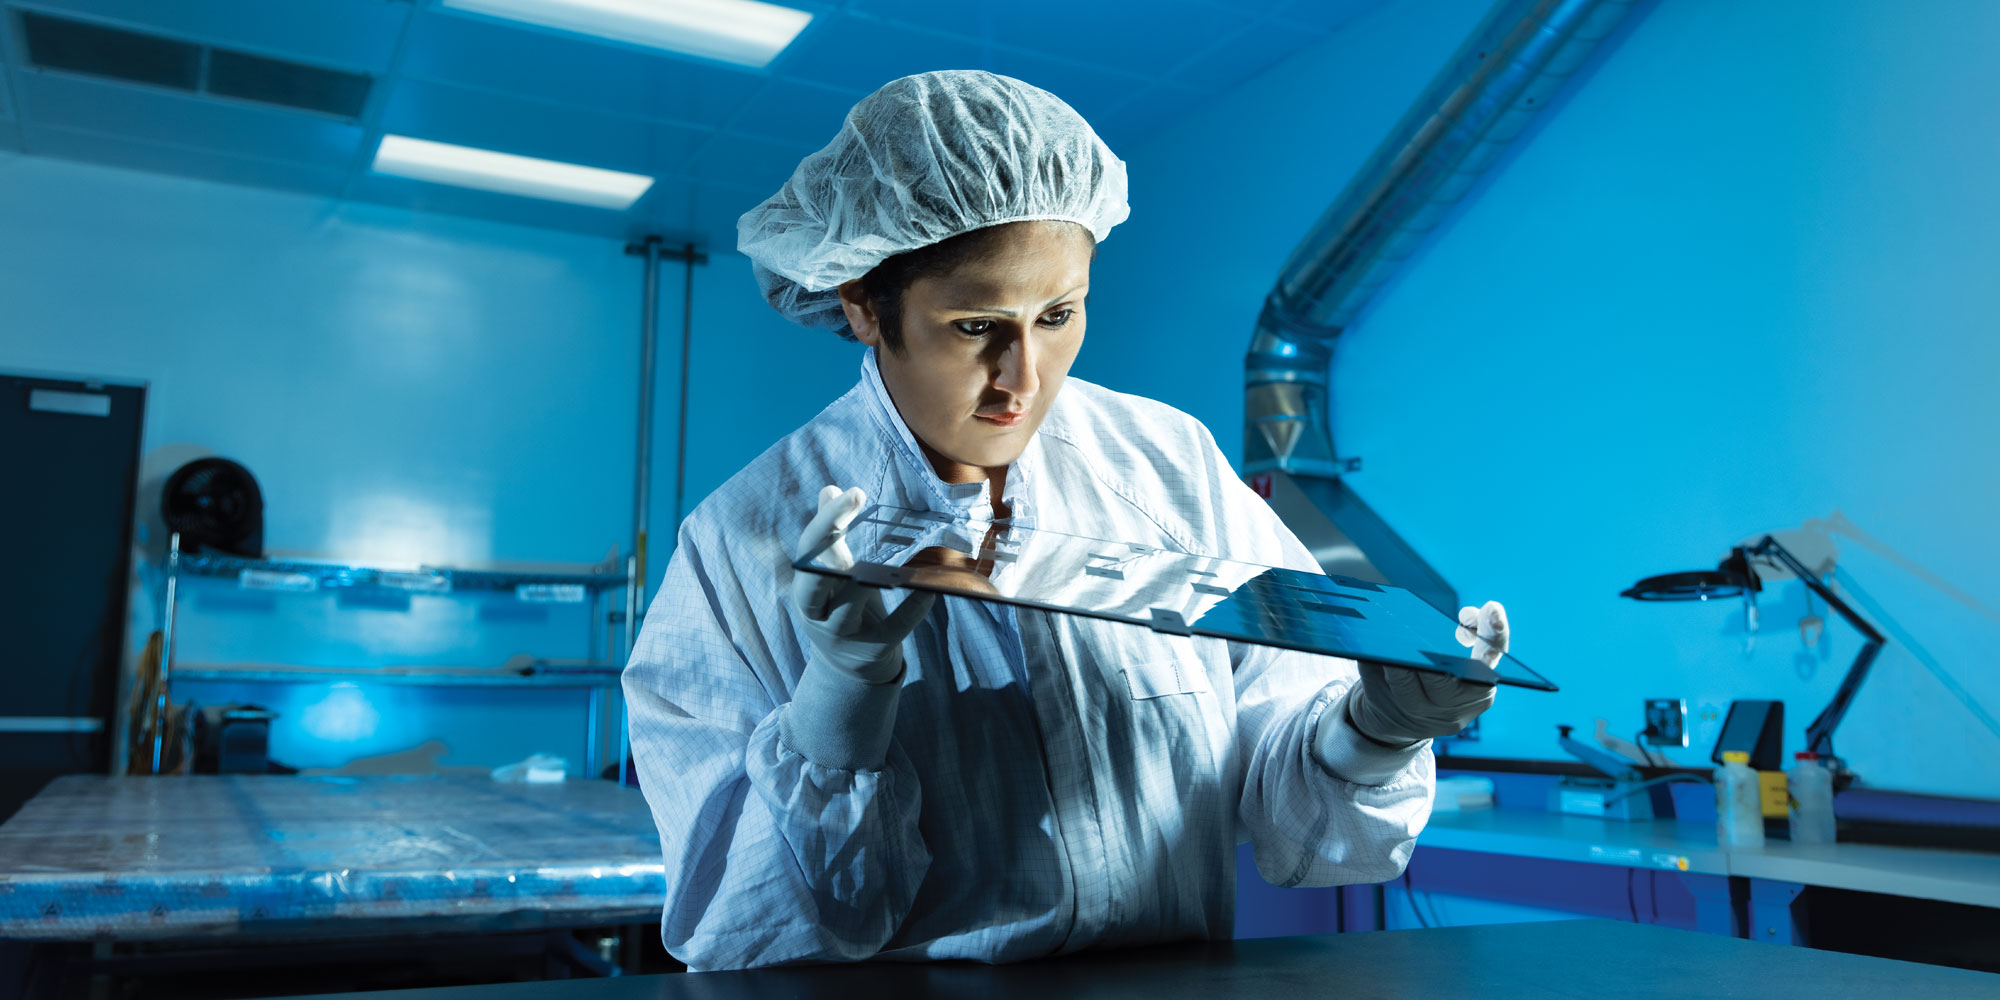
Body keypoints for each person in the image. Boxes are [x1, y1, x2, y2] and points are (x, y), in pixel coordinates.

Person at [621, 70, 1507, 972]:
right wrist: (843, 695)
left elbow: (1297, 825)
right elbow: (744, 927)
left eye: (1057, 315)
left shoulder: (1168, 466)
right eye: (976, 326)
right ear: (862, 305)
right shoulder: (740, 543)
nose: (1024, 377)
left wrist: (1375, 728)